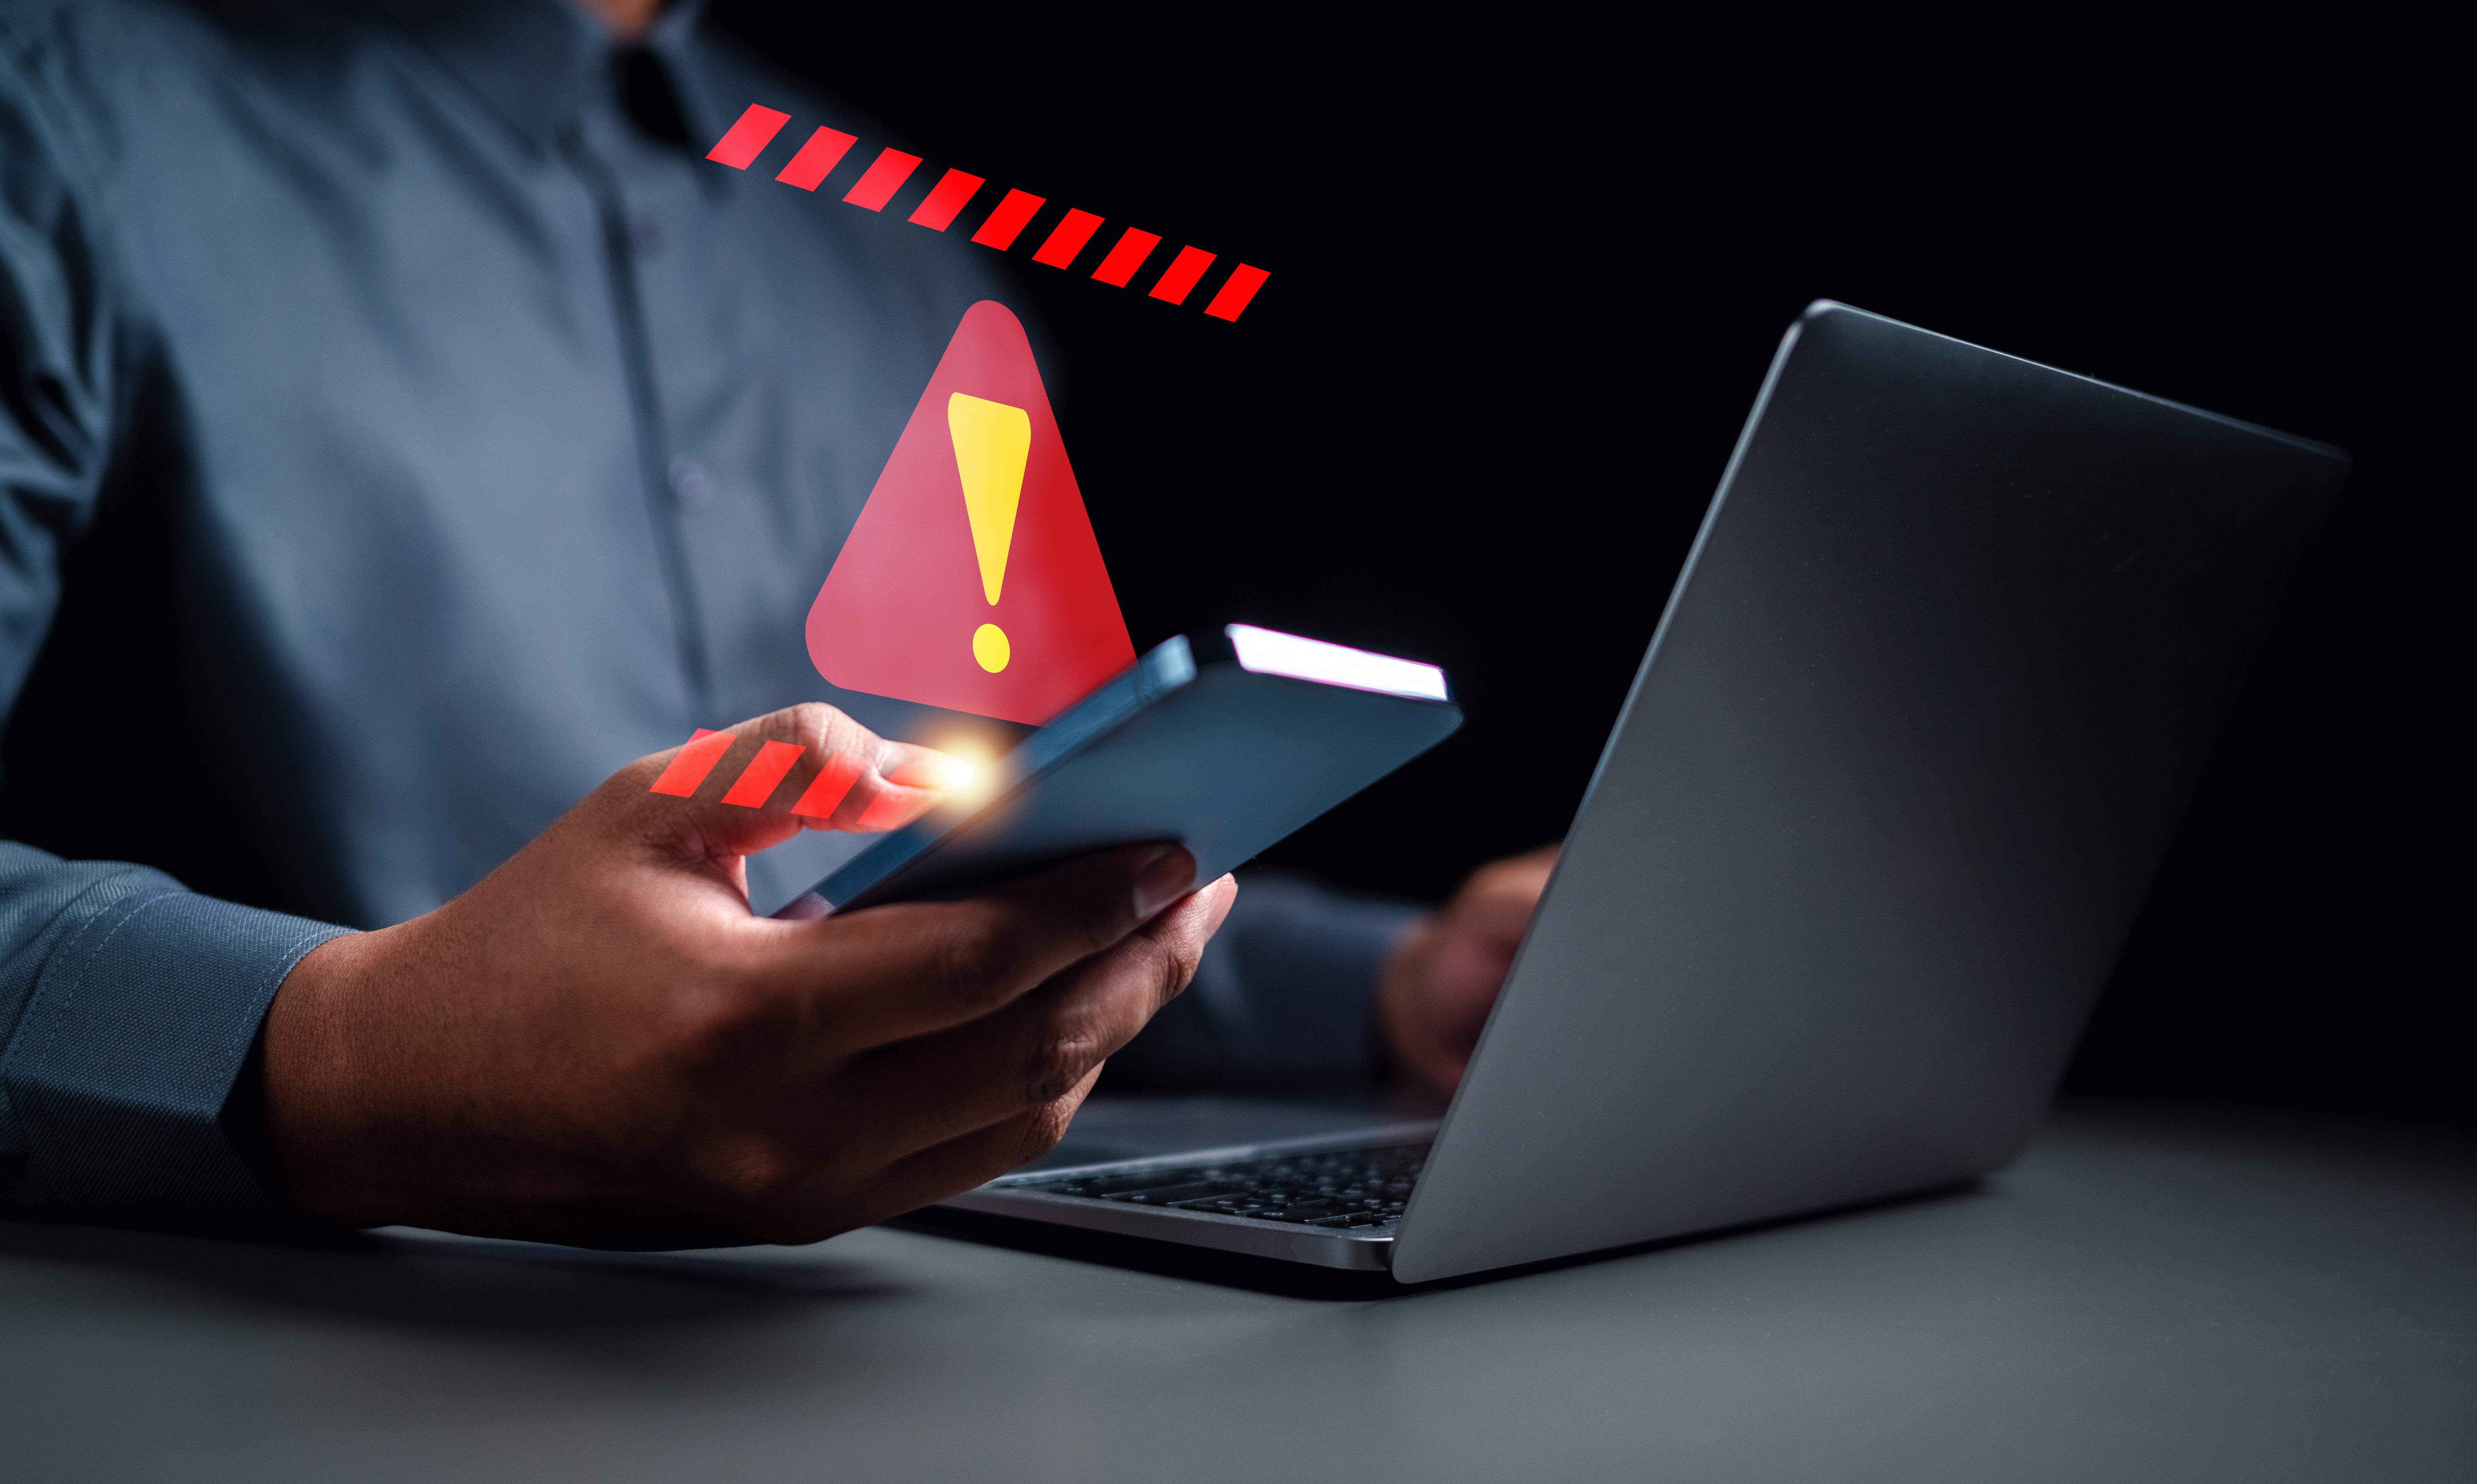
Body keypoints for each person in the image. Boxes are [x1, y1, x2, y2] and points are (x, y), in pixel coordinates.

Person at [0, 0, 1553, 1246]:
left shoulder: (910, 249)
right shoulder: (58, 111)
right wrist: (356, 1057)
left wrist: (1400, 979)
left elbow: (1001, 873)